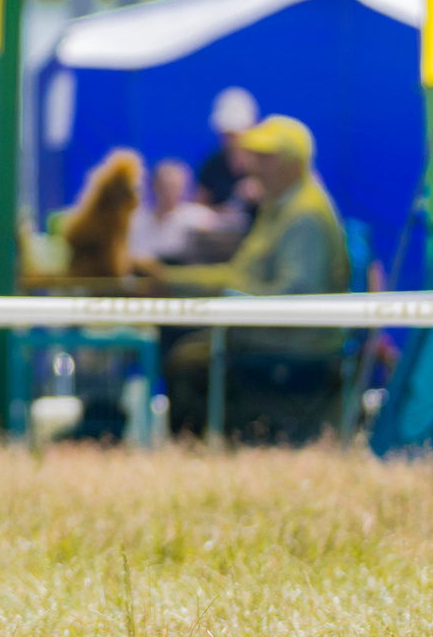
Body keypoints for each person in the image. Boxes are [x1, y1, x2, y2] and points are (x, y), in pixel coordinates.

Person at [143, 115, 353, 441]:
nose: (252, 165)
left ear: (294, 165)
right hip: (271, 340)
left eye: (266, 158)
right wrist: (170, 279)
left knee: (186, 362)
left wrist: (229, 301)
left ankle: (200, 454)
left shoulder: (305, 215)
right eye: (254, 156)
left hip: (293, 350)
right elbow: (236, 275)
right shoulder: (281, 207)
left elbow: (297, 298)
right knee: (184, 354)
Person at [127, 157, 218, 265]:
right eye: (165, 187)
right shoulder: (136, 220)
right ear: (154, 186)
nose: (170, 193)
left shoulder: (198, 217)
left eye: (175, 187)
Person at [196, 87, 259, 211]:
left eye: (234, 133)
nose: (230, 140)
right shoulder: (211, 165)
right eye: (226, 133)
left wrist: (262, 193)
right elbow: (200, 207)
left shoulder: (266, 161)